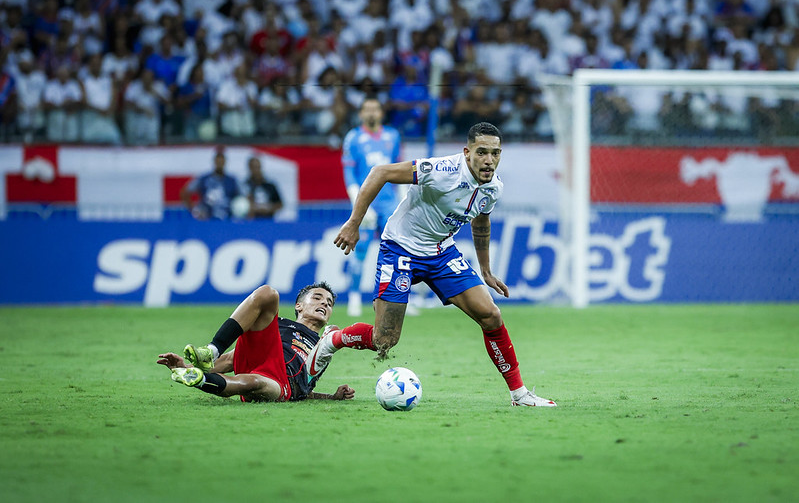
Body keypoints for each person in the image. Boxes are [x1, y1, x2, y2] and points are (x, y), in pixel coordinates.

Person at [308, 122, 557, 408]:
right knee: (384, 340)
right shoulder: (441, 170)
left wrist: (485, 270)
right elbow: (380, 172)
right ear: (467, 152)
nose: (489, 160)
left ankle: (519, 395)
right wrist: (354, 224)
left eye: (496, 153)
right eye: (482, 152)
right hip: (400, 248)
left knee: (491, 315)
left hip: (441, 253)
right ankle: (333, 339)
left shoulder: (493, 187)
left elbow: (481, 222)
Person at [158, 282, 355, 402]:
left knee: (253, 382)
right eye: (318, 298)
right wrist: (187, 364)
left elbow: (305, 390)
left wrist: (331, 397)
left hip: (283, 384)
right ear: (299, 306)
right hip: (263, 360)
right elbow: (229, 361)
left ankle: (198, 380)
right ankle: (212, 350)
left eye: (329, 303)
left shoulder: (324, 343)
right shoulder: (276, 326)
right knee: (268, 293)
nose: (324, 304)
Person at [340, 97, 402, 316]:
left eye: (375, 108)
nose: (371, 113)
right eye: (367, 109)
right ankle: (354, 297)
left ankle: (400, 297)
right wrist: (357, 202)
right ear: (360, 114)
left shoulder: (393, 136)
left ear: (381, 112)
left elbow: (398, 169)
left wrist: (402, 199)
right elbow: (349, 172)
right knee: (360, 249)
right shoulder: (353, 138)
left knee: (400, 251)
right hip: (366, 204)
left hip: (390, 204)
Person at [180, 148, 240, 220]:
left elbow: (242, 197)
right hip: (207, 219)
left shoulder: (232, 181)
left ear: (225, 162)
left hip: (227, 219)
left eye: (222, 161)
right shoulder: (203, 179)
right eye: (218, 161)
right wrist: (195, 211)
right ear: (214, 162)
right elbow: (185, 193)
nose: (220, 164)